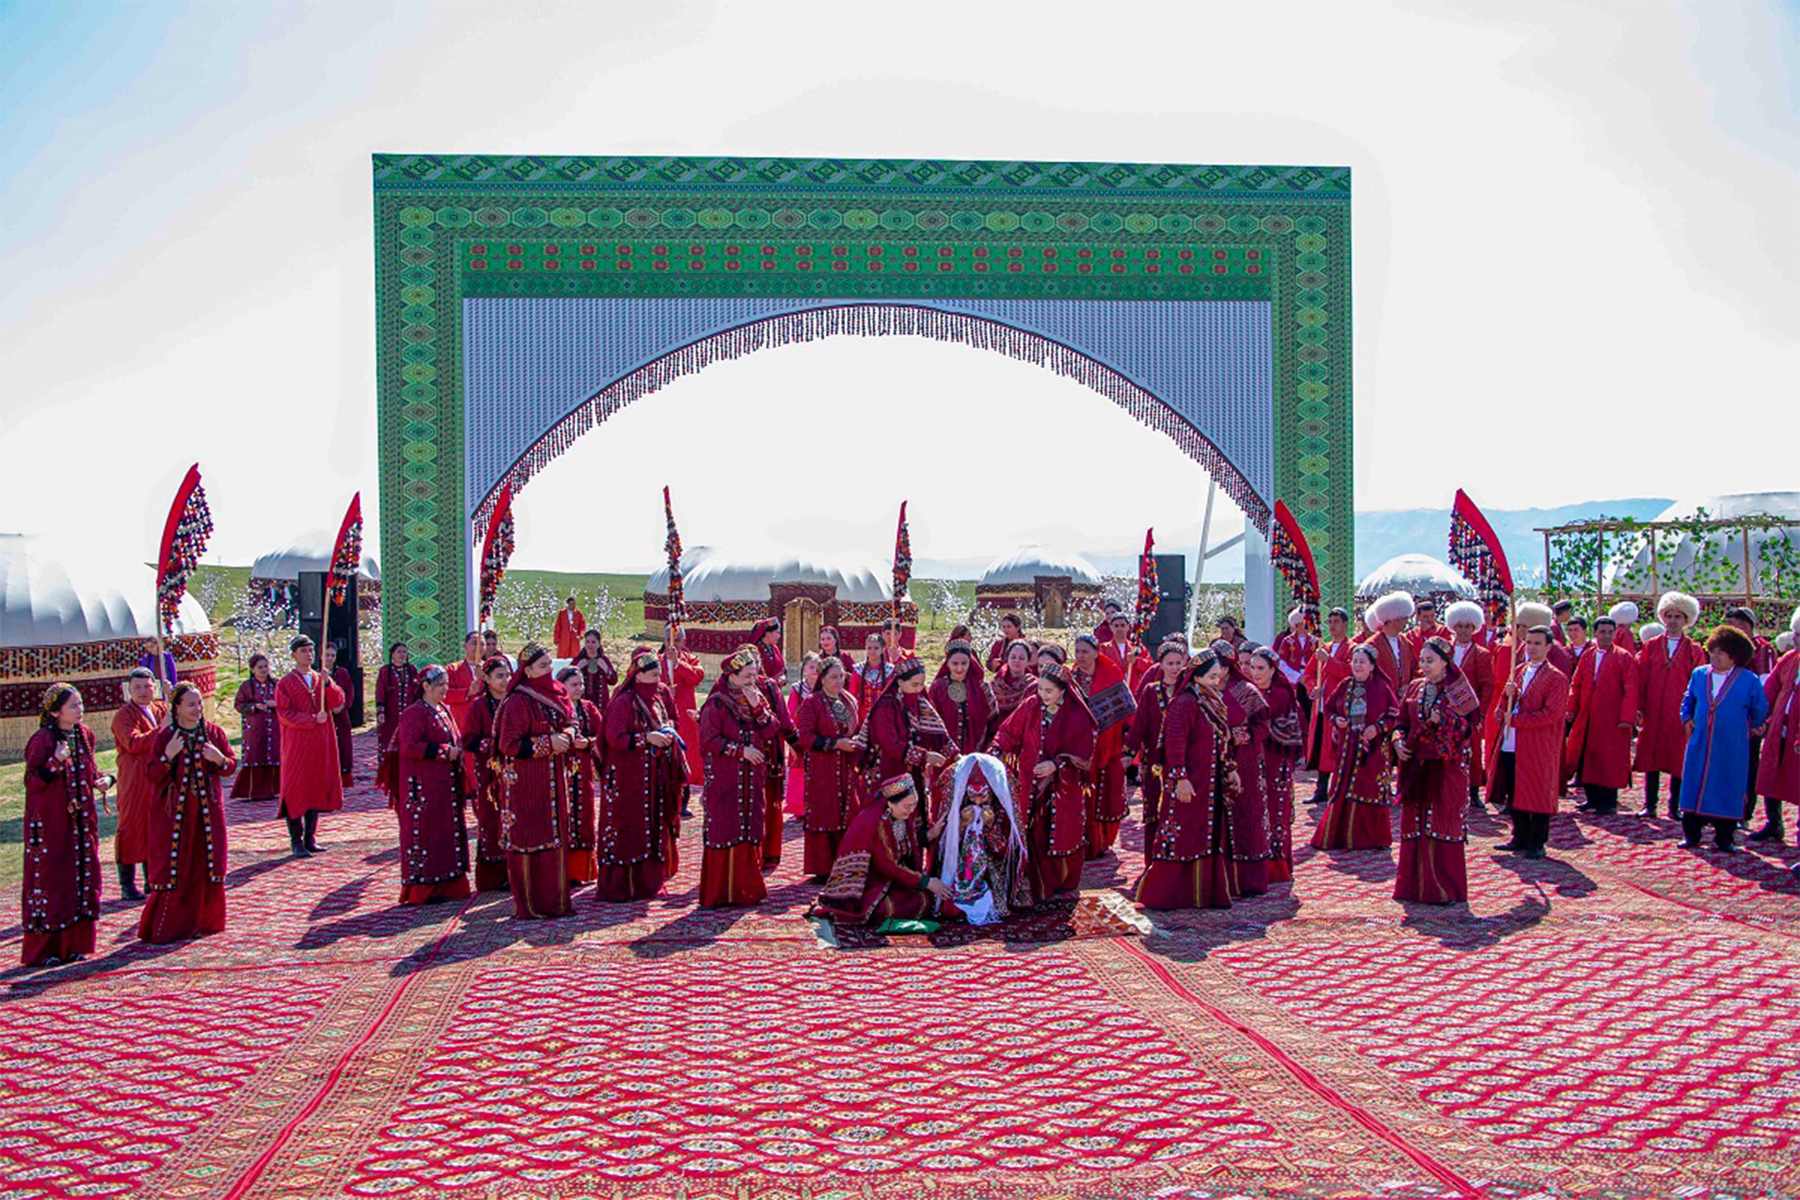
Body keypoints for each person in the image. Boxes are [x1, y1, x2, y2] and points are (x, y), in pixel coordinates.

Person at [20, 684, 113, 966]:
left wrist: (105, 780)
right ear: (55, 711)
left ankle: (75, 945)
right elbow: (32, 782)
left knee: (82, 876)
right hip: (52, 823)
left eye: (81, 703)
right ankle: (46, 950)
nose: (80, 709)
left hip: (82, 822)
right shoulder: (42, 740)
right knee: (53, 878)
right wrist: (55, 761)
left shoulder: (84, 735)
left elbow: (90, 770)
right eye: (73, 705)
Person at [1135, 649, 1235, 910]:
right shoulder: (1184, 703)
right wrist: (1180, 777)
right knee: (1182, 833)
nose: (1216, 681)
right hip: (1189, 782)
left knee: (1205, 833)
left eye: (1218, 676)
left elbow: (1222, 740)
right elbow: (1174, 744)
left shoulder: (1210, 701)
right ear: (1197, 677)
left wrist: (1230, 768)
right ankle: (1168, 895)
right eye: (1211, 677)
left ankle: (1203, 894)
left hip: (1208, 783)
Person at [992, 660, 1095, 904]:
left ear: (1063, 690)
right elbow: (1008, 732)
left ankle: (1057, 884)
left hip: (1063, 787)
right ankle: (1031, 883)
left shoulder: (1076, 715)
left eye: (1049, 691)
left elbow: (1084, 753)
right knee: (1031, 829)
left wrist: (1057, 764)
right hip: (1030, 782)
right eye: (1040, 689)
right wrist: (995, 751)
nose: (1043, 695)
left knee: (1059, 830)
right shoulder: (1031, 705)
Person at [138, 681, 233, 942]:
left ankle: (204, 921)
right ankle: (171, 926)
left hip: (207, 813)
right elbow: (152, 775)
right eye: (191, 704)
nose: (197, 708)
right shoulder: (165, 738)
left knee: (206, 862)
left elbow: (230, 765)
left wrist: (219, 759)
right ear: (177, 707)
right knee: (177, 864)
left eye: (199, 703)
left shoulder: (213, 733)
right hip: (175, 816)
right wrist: (168, 756)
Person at [1392, 639, 1481, 904]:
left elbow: (1468, 728)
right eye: (1422, 660)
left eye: (1430, 660)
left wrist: (1443, 719)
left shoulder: (1457, 691)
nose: (1425, 665)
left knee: (1441, 822)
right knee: (1414, 822)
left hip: (1445, 769)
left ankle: (1443, 889)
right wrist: (1398, 741)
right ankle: (1412, 887)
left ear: (1445, 662)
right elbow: (1401, 722)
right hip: (1416, 767)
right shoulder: (1415, 687)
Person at [493, 643, 575, 919]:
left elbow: (571, 720)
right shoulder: (518, 702)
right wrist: (548, 743)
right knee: (530, 836)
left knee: (555, 834)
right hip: (526, 783)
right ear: (527, 671)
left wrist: (568, 736)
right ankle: (531, 905)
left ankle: (556, 902)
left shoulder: (558, 692)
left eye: (550, 664)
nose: (549, 670)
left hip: (554, 780)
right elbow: (508, 745)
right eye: (542, 666)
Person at [811, 775, 959, 927]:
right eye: (907, 806)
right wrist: (925, 882)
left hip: (889, 879)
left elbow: (906, 844)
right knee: (898, 905)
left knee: (927, 898)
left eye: (914, 804)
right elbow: (887, 866)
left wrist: (929, 835)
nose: (911, 810)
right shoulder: (877, 822)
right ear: (890, 803)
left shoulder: (902, 815)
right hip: (866, 884)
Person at [597, 646, 685, 901]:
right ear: (638, 675)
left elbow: (671, 719)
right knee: (629, 825)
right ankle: (624, 885)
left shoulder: (657, 697)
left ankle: (650, 881)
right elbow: (614, 738)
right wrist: (646, 738)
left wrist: (667, 732)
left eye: (659, 674)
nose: (657, 679)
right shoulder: (623, 702)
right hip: (627, 777)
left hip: (654, 774)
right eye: (652, 674)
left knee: (653, 824)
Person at [698, 645, 782, 907]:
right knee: (726, 827)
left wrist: (758, 708)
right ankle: (720, 892)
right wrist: (740, 751)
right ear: (732, 676)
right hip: (726, 778)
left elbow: (772, 731)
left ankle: (747, 890)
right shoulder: (717, 703)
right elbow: (709, 740)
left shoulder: (757, 698)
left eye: (754, 675)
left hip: (751, 780)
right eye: (746, 676)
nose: (752, 681)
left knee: (750, 827)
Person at [1678, 625, 1769, 852]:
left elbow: (1759, 707)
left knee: (1727, 784)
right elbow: (1688, 698)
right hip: (1701, 740)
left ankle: (1724, 837)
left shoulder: (1748, 680)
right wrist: (1686, 717)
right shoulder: (1700, 674)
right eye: (1713, 651)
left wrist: (1755, 725)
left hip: (1731, 743)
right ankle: (1692, 834)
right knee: (1695, 781)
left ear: (1734, 656)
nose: (1715, 656)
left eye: (1722, 652)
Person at [391, 665, 472, 905]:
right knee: (427, 833)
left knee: (446, 831)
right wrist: (445, 752)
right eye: (440, 685)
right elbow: (409, 747)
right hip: (423, 786)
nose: (445, 690)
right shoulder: (414, 713)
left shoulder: (443, 710)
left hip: (446, 785)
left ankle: (449, 884)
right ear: (425, 686)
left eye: (446, 684)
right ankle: (425, 888)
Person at [1492, 626, 1571, 859]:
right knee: (1514, 789)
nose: (1532, 648)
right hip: (1512, 740)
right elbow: (1504, 706)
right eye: (1528, 642)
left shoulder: (1556, 678)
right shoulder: (1518, 671)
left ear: (1548, 647)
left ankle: (1537, 841)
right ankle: (1519, 836)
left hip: (1537, 743)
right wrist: (1506, 696)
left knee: (1537, 790)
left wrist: (1516, 720)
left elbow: (1552, 714)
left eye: (1537, 643)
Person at [1311, 644, 1397, 850]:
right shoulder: (1345, 685)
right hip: (1348, 748)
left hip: (1373, 751)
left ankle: (1369, 839)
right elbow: (1329, 708)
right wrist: (1336, 719)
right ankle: (1339, 837)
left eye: (1362, 662)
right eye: (1355, 661)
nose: (1357, 665)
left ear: (1372, 666)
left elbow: (1395, 715)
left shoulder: (1382, 688)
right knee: (1343, 787)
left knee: (1368, 788)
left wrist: (1378, 728)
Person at [928, 753, 1029, 924]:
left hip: (989, 867)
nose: (977, 801)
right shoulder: (957, 807)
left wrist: (989, 827)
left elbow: (1003, 850)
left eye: (982, 796)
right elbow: (947, 845)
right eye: (972, 796)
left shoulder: (1000, 810)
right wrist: (961, 825)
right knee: (950, 907)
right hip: (960, 865)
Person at [1634, 591, 1706, 819]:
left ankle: (1675, 806)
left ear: (1686, 620)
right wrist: (1639, 707)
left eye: (1678, 616)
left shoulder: (1694, 650)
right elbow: (1640, 678)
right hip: (1654, 710)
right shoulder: (1651, 646)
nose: (1673, 621)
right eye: (1669, 616)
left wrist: (1693, 713)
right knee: (1651, 756)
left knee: (1678, 758)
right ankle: (1650, 805)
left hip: (1679, 714)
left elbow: (1699, 684)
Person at [275, 635, 346, 858]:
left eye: (310, 650)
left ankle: (310, 838)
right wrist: (311, 719)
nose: (308, 654)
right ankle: (296, 840)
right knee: (296, 788)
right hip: (297, 743)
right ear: (294, 655)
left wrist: (328, 683)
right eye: (303, 651)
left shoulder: (320, 678)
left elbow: (338, 702)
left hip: (319, 742)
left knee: (315, 786)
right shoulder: (285, 683)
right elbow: (284, 714)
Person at [1481, 601, 1555, 809]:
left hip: (1534, 722)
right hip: (1511, 715)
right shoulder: (1512, 650)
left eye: (1522, 626)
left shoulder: (1552, 658)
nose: (1517, 629)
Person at [797, 656, 865, 881]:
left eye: (841, 676)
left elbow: (857, 728)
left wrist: (857, 742)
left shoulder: (849, 700)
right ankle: (823, 867)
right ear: (822, 679)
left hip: (847, 767)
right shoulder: (812, 703)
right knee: (825, 811)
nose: (838, 681)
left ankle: (846, 863)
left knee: (848, 810)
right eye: (833, 677)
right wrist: (835, 744)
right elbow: (805, 738)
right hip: (822, 768)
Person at [1211, 641, 1271, 895]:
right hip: (1214, 762)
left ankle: (1248, 879)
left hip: (1244, 762)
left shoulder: (1246, 691)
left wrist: (1242, 735)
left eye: (1220, 666)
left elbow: (1263, 726)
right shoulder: (1204, 690)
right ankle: (1217, 878)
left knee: (1245, 813)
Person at [1565, 616, 1637, 815]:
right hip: (1587, 715)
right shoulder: (1588, 655)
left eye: (1610, 632)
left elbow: (1631, 689)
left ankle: (1608, 802)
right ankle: (1592, 799)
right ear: (1595, 633)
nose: (1606, 636)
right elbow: (1576, 683)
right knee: (1588, 756)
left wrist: (1626, 718)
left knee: (1609, 759)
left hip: (1612, 718)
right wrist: (1571, 707)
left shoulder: (1623, 657)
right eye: (1602, 631)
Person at [1072, 635, 1136, 857]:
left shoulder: (1112, 676)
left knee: (1107, 795)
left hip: (1110, 748)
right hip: (1079, 751)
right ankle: (1083, 844)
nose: (1080, 656)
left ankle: (1102, 841)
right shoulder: (1070, 679)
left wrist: (1129, 750)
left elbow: (1129, 713)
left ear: (1096, 652)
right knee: (1082, 798)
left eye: (1085, 651)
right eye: (1077, 651)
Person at [1245, 646, 1304, 884]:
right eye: (1252, 667)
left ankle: (1275, 867)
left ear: (1272, 670)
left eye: (1261, 668)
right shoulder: (1250, 691)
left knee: (1274, 810)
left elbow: (1262, 718)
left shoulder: (1280, 694)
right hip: (1254, 759)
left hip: (1275, 760)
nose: (1255, 673)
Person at [109, 667, 167, 902]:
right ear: (129, 690)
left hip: (157, 776)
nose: (143, 691)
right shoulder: (124, 715)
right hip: (134, 778)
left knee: (154, 826)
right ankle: (127, 884)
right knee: (131, 827)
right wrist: (160, 730)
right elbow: (133, 743)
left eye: (147, 686)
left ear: (154, 687)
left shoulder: (160, 709)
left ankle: (151, 880)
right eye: (137, 687)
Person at [459, 655, 514, 891]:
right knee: (491, 819)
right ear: (488, 679)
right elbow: (468, 740)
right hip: (489, 773)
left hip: (515, 773)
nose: (505, 680)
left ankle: (515, 871)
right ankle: (494, 876)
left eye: (508, 675)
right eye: (499, 676)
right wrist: (492, 745)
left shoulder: (515, 702)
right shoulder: (479, 706)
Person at [1128, 640, 1190, 846]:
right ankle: (1152, 858)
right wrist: (1128, 753)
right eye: (1170, 663)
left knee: (1181, 810)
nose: (1174, 668)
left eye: (1178, 663)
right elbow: (1139, 725)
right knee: (1153, 809)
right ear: (1160, 664)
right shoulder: (1151, 691)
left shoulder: (1190, 691)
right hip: (1153, 760)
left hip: (1183, 761)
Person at [1752, 609, 1800, 844]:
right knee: (1771, 773)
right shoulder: (1790, 659)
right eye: (1796, 634)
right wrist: (1759, 718)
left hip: (1797, 733)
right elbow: (1769, 691)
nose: (1797, 639)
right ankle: (1774, 824)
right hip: (1779, 728)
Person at [1442, 601, 1496, 806]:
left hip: (1470, 712)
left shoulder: (1482, 654)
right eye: (1459, 626)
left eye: (1468, 626)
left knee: (1472, 751)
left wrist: (1479, 714)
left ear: (1474, 628)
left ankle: (1473, 792)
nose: (1463, 630)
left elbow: (1487, 686)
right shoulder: (1444, 651)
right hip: (1445, 709)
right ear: (1453, 626)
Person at [556, 666, 604, 886]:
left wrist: (589, 743)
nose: (579, 688)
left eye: (581, 684)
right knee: (562, 814)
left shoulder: (588, 707)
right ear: (562, 686)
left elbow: (603, 734)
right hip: (560, 769)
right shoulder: (554, 708)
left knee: (584, 813)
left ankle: (581, 870)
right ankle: (560, 870)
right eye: (574, 684)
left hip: (583, 770)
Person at [754, 653, 799, 870]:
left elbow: (783, 720)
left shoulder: (769, 686)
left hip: (769, 754)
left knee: (769, 801)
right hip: (740, 760)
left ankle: (768, 852)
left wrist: (796, 744)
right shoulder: (725, 689)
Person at [1304, 607, 1354, 804]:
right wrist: (1313, 688)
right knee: (1321, 747)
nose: (1332, 626)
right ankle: (1321, 789)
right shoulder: (1323, 648)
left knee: (1338, 748)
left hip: (1340, 706)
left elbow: (1350, 672)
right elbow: (1308, 674)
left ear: (1345, 624)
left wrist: (1329, 661)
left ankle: (1341, 788)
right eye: (1330, 621)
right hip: (1321, 706)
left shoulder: (1352, 648)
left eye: (1337, 621)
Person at [659, 625, 705, 807]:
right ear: (665, 641)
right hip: (664, 714)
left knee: (688, 753)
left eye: (678, 640)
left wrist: (678, 664)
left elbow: (697, 677)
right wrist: (665, 690)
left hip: (685, 715)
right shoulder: (657, 661)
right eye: (671, 640)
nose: (675, 644)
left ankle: (684, 797)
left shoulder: (690, 659)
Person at [931, 639, 999, 758]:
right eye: (955, 663)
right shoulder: (937, 688)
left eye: (964, 663)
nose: (959, 668)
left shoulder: (982, 687)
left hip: (977, 752)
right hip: (945, 755)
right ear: (947, 663)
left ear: (970, 663)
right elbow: (931, 722)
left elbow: (993, 720)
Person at [374, 642, 421, 801]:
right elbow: (380, 692)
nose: (402, 655)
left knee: (408, 742)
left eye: (405, 652)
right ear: (392, 654)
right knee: (389, 744)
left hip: (408, 716)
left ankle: (408, 771)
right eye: (399, 652)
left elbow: (417, 691)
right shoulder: (385, 671)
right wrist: (381, 711)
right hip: (391, 717)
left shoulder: (411, 670)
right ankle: (389, 774)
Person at [230, 654, 281, 800]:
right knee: (256, 754)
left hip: (274, 728)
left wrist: (276, 704)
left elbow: (287, 701)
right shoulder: (247, 686)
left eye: (266, 666)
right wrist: (254, 706)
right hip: (255, 729)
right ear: (253, 670)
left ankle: (275, 790)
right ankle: (255, 792)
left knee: (274, 754)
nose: (264, 670)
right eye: (260, 667)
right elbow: (238, 705)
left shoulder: (276, 684)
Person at [785, 654, 821, 816]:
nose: (814, 670)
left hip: (819, 736)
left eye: (817, 667)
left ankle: (817, 805)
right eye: (811, 667)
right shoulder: (797, 689)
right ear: (804, 670)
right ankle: (799, 807)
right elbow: (791, 715)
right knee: (799, 771)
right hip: (801, 737)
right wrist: (795, 739)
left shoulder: (825, 688)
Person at [1360, 591, 1417, 687]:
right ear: (1393, 619)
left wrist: (1409, 687)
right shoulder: (1372, 645)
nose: (1407, 621)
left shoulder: (1406, 643)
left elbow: (1415, 668)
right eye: (1404, 618)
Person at [1273, 607, 1317, 727]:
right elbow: (1281, 663)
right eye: (1303, 623)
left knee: (1311, 709)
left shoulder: (1315, 641)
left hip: (1311, 679)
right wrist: (1297, 677)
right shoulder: (1287, 641)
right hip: (1294, 680)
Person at [321, 642, 354, 786]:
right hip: (324, 716)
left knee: (343, 746)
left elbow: (349, 692)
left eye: (332, 655)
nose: (329, 658)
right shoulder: (315, 673)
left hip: (341, 715)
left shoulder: (342, 673)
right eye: (327, 655)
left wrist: (342, 706)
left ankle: (344, 777)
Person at [443, 631, 486, 735]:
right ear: (465, 646)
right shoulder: (452, 669)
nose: (478, 647)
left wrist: (485, 677)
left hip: (485, 722)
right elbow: (444, 695)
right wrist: (467, 692)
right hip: (462, 723)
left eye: (482, 644)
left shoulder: (491, 668)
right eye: (474, 643)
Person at [989, 639, 1037, 727]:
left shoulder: (1033, 685)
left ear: (1028, 661)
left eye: (1021, 658)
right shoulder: (995, 684)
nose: (1017, 661)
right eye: (1013, 657)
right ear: (1007, 658)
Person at [572, 629, 619, 712]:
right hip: (582, 703)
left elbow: (613, 681)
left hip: (601, 704)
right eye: (587, 642)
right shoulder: (578, 660)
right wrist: (577, 667)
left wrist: (606, 669)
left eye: (593, 642)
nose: (590, 645)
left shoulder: (604, 660)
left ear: (599, 644)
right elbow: (566, 680)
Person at [751, 618, 787, 692]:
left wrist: (783, 677)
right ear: (767, 633)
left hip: (775, 690)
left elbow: (782, 668)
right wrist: (772, 681)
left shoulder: (774, 648)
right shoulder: (755, 650)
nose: (779, 636)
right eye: (777, 633)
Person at [553, 595, 587, 660]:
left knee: (574, 656)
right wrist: (556, 638)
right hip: (564, 638)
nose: (573, 606)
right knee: (562, 656)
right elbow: (557, 626)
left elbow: (582, 626)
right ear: (568, 604)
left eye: (574, 604)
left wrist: (581, 635)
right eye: (571, 604)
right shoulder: (562, 613)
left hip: (574, 638)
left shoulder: (578, 613)